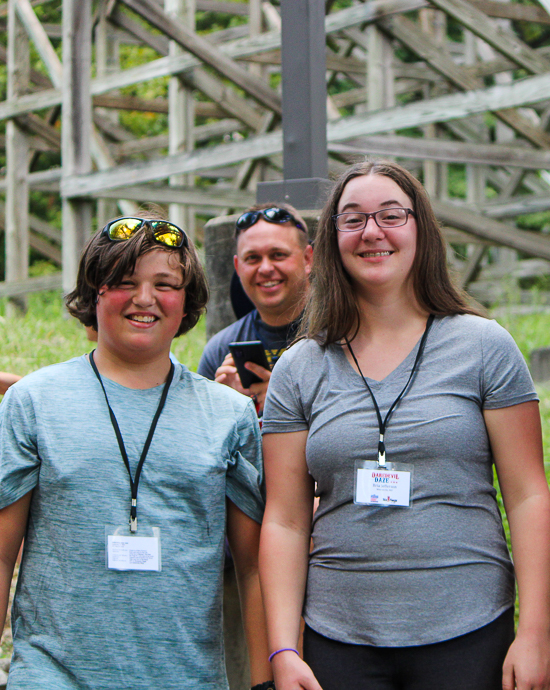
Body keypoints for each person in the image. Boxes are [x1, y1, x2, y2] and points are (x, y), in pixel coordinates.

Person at [259, 160, 550, 690]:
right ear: (331, 241)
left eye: (391, 215)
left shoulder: (484, 347)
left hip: (469, 628)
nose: (372, 232)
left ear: (422, 230)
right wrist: (282, 647)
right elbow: (284, 519)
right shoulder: (300, 367)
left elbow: (528, 495)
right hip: (338, 637)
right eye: (353, 219)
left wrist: (534, 631)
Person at [0, 216, 272, 690]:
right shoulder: (34, 402)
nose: (144, 299)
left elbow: (253, 570)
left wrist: (265, 683)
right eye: (125, 282)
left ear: (186, 301)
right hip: (52, 678)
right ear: (94, 293)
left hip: (186, 679)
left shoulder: (230, 415)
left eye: (164, 284)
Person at [198, 203, 313, 415]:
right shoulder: (219, 351)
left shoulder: (342, 335)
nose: (266, 268)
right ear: (238, 267)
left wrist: (281, 401)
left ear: (308, 259)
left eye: (278, 254)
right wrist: (224, 409)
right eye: (252, 258)